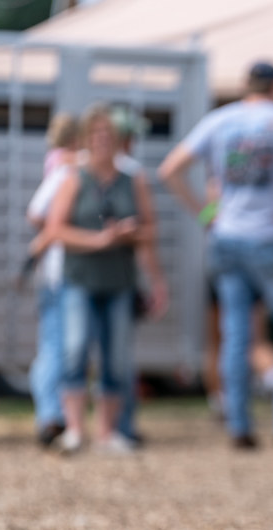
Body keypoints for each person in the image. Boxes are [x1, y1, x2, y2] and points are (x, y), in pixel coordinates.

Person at [158, 60, 273, 450]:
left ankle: (239, 425)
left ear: (245, 85)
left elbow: (170, 168)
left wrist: (205, 213)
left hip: (226, 238)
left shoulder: (221, 120)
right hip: (269, 237)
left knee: (235, 335)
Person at [45, 103, 164, 454]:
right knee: (75, 350)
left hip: (120, 280)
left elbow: (150, 231)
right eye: (95, 135)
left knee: (117, 357)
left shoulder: (134, 180)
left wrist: (150, 269)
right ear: (85, 139)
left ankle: (108, 433)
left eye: (108, 135)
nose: (101, 141)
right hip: (79, 277)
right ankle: (74, 430)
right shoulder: (72, 178)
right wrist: (98, 240)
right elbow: (54, 229)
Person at [110, 105, 168, 444]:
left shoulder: (76, 169)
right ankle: (122, 426)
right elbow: (148, 235)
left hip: (75, 277)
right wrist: (157, 280)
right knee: (119, 356)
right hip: (119, 278)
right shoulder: (133, 175)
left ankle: (62, 423)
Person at [26, 112, 80, 448]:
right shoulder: (68, 167)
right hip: (61, 271)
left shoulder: (56, 161)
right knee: (57, 349)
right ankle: (49, 416)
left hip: (50, 270)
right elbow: (37, 213)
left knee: (51, 347)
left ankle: (51, 414)